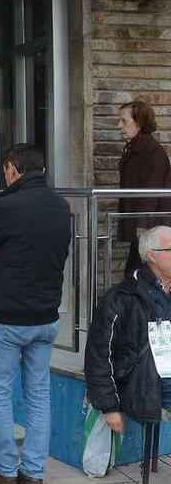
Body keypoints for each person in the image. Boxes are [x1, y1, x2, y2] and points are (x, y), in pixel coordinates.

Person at [0, 145, 71, 484]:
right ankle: (33, 472)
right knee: (39, 394)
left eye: (5, 169)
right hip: (46, 316)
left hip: (9, 317)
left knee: (0, 391)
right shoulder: (61, 206)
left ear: (12, 169)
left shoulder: (5, 206)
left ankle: (6, 470)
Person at [86, 225, 171, 441]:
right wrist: (109, 407)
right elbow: (99, 354)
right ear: (152, 256)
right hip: (146, 385)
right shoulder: (122, 298)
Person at [117, 100, 171, 275]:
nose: (120, 126)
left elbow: (151, 190)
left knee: (140, 273)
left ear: (139, 123)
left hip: (149, 228)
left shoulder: (151, 152)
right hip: (142, 225)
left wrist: (143, 225)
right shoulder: (135, 148)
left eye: (124, 121)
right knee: (136, 273)